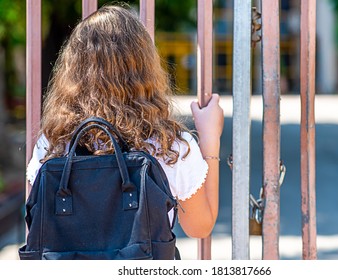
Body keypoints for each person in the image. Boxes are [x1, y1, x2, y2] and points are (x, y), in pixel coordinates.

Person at [26, 3, 224, 239]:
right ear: (145, 67)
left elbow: (34, 227)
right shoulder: (168, 144)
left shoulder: (53, 141)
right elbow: (199, 227)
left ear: (74, 71)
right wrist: (210, 139)